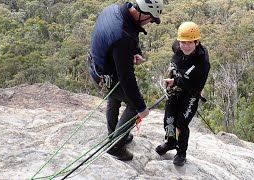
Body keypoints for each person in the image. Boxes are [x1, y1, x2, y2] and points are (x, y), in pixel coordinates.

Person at [88, 0, 164, 161]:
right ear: (143, 12)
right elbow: (126, 78)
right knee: (132, 104)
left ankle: (114, 134)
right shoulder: (123, 36)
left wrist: (134, 52)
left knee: (114, 98)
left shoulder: (116, 9)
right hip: (104, 76)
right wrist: (141, 108)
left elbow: (125, 35)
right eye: (151, 19)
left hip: (98, 66)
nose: (150, 22)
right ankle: (116, 146)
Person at [155, 21, 210, 166]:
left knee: (181, 123)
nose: (185, 46)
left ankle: (181, 153)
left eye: (190, 43)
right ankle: (170, 142)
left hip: (190, 94)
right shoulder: (177, 47)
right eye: (183, 42)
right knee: (169, 120)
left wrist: (176, 82)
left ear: (197, 42)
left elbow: (197, 85)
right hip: (175, 91)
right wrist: (172, 80)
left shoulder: (202, 62)